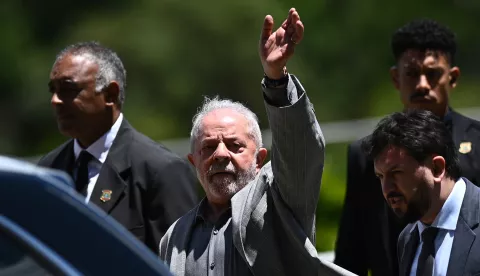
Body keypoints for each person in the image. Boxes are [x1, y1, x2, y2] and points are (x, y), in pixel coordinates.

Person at [159, 8, 355, 276]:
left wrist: (276, 77)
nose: (220, 154)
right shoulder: (174, 238)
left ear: (260, 158)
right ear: (193, 161)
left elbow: (301, 151)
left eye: (234, 145)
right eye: (208, 148)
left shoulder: (280, 199)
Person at [334, 19, 480, 276]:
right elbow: (351, 247)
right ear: (395, 78)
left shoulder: (478, 142)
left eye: (433, 74)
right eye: (412, 73)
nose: (422, 84)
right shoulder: (368, 152)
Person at [38, 41, 198, 253]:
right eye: (53, 90)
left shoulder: (161, 170)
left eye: (68, 89)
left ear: (110, 94)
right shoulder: (48, 170)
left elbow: (178, 265)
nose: (55, 100)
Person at [362, 109, 480, 276]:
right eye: (380, 176)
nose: (386, 189)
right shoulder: (408, 238)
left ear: (437, 168)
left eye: (396, 172)